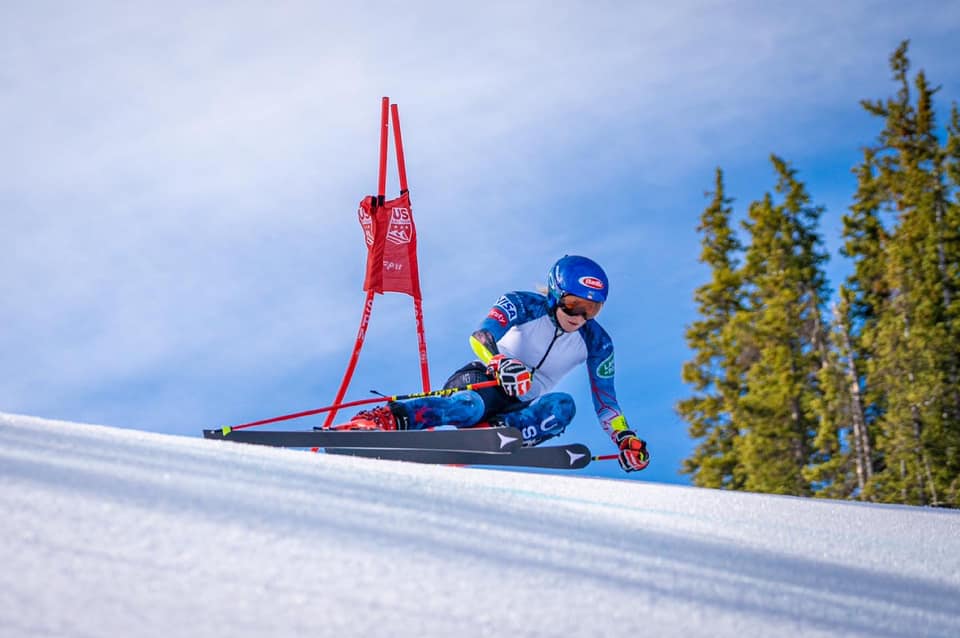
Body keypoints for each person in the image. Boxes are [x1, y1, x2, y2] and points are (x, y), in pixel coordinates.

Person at [347, 255, 649, 473]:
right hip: (484, 381)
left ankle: (488, 436)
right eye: (574, 304)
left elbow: (607, 403)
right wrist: (500, 363)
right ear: (557, 293)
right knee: (468, 405)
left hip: (518, 407)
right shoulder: (524, 304)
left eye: (591, 310)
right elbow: (481, 336)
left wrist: (625, 437)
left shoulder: (598, 343)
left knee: (562, 407)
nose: (579, 317)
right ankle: (380, 420)